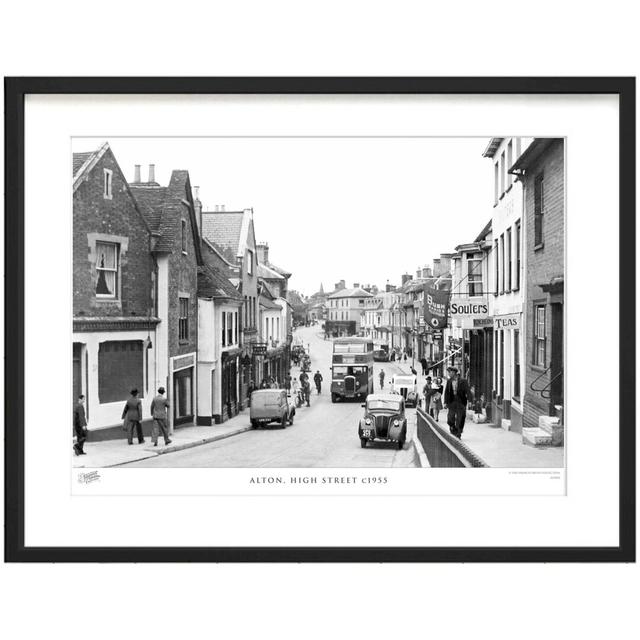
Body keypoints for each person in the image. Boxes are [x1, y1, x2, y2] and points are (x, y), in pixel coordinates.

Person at [443, 367, 469, 438]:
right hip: (452, 401)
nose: (448, 374)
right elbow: (446, 392)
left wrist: (470, 400)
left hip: (461, 401)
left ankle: (458, 433)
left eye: (450, 372)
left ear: (454, 372)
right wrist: (445, 402)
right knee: (450, 418)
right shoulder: (449, 381)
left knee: (460, 418)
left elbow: (467, 391)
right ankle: (453, 428)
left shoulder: (463, 381)